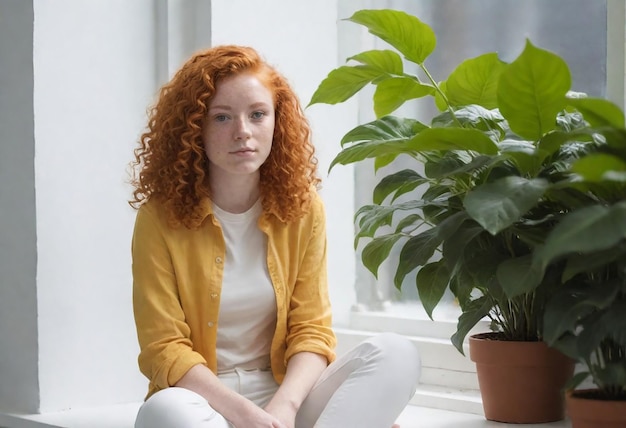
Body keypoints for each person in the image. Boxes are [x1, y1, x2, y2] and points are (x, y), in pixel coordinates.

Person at [128, 44, 421, 428]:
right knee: (163, 414)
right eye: (221, 117)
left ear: (276, 121)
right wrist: (245, 415)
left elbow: (311, 331)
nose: (242, 132)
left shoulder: (303, 208)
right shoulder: (158, 218)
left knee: (396, 354)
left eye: (257, 115)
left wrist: (283, 409)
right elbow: (163, 349)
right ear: (193, 127)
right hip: (204, 403)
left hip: (286, 399)